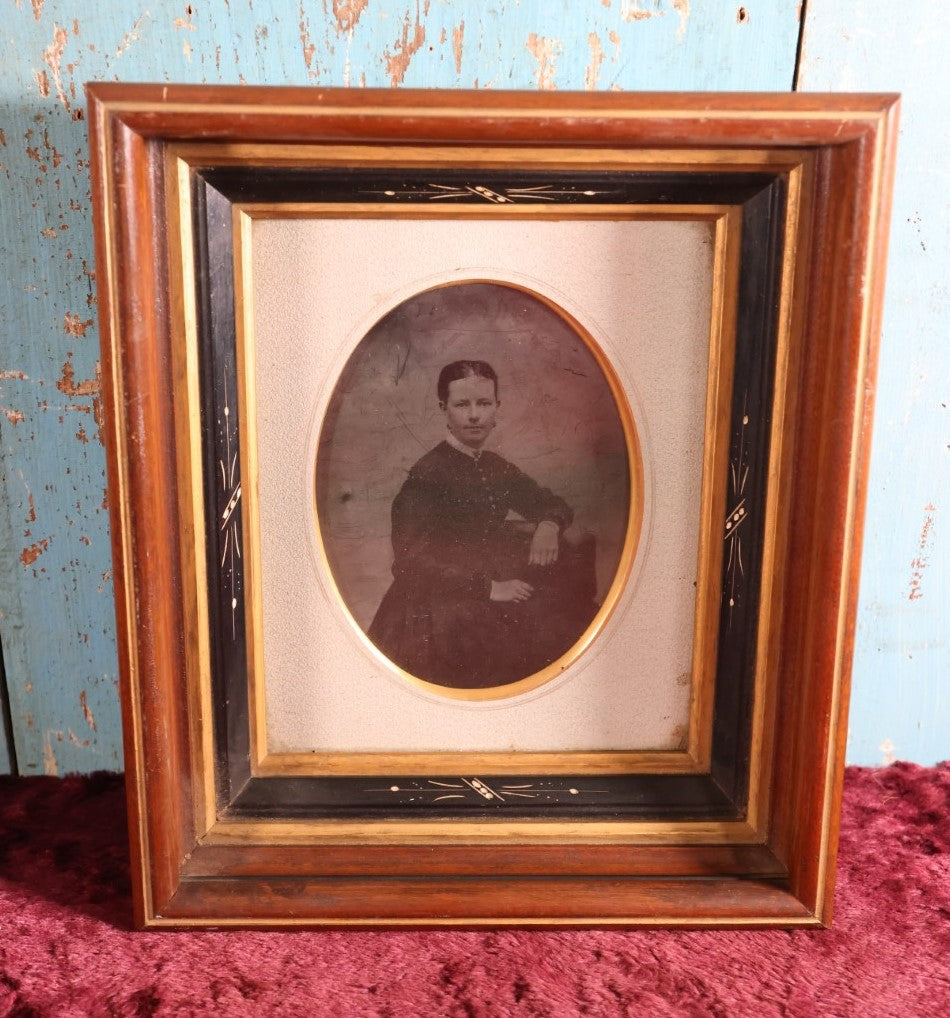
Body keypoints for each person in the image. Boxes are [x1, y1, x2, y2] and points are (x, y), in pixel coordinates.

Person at [368, 359, 597, 690]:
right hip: (436, 605)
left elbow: (548, 501)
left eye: (484, 403)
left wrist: (548, 524)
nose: (474, 415)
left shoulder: (493, 466)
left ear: (496, 407)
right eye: (462, 405)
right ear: (444, 409)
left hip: (490, 586)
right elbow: (410, 562)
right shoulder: (426, 476)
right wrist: (490, 589)